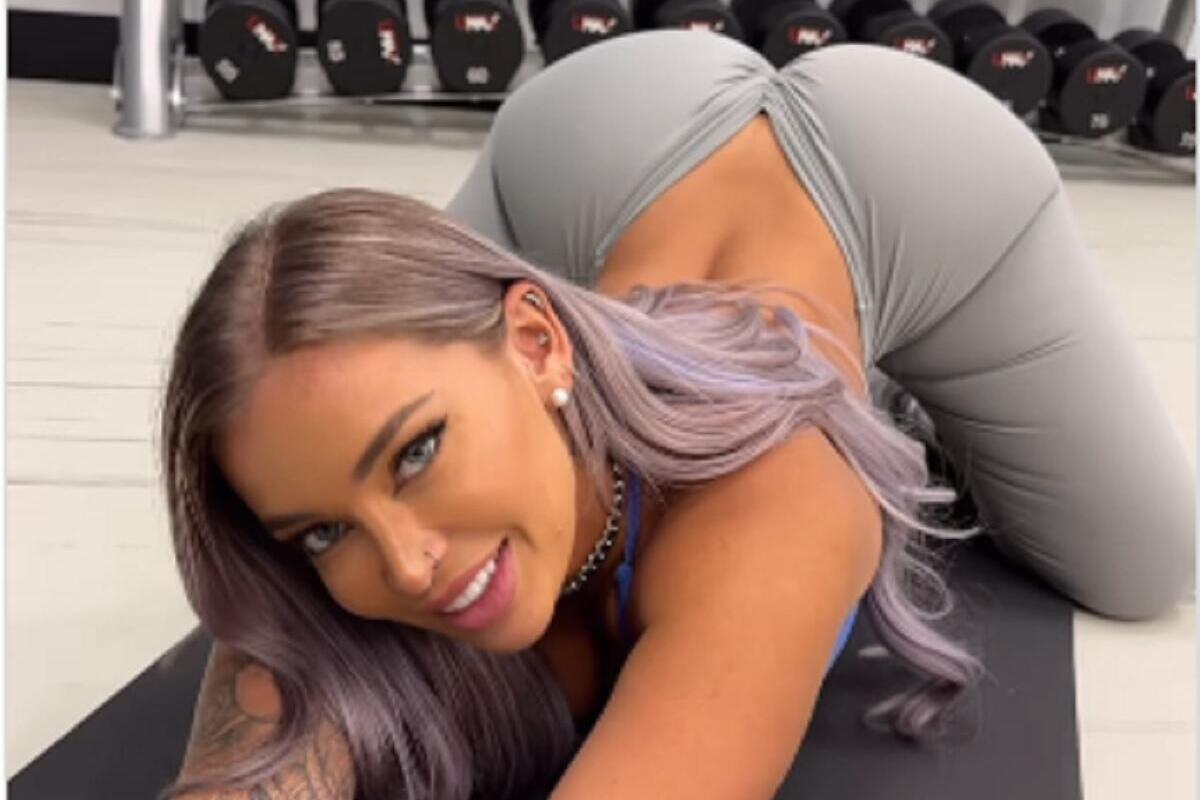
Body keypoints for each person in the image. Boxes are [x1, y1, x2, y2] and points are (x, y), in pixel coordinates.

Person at [159, 30, 1193, 800]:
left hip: (916, 175)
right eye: (323, 531)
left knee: (1145, 563)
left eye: (418, 451)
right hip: (595, 135)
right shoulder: (395, 484)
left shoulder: (772, 508)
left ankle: (885, 389)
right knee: (322, 387)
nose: (409, 563)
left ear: (540, 342)